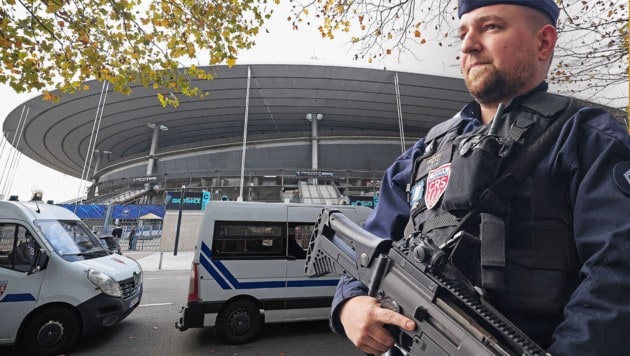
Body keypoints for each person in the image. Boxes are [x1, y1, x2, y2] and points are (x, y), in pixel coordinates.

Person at [330, 1, 630, 355]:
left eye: (490, 28)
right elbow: (370, 246)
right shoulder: (424, 152)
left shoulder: (588, 138)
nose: (468, 45)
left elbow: (616, 274)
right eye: (463, 33)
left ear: (544, 43)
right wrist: (350, 304)